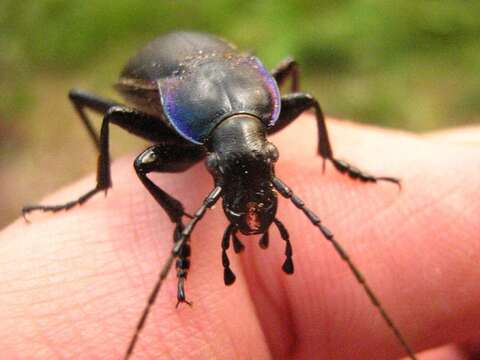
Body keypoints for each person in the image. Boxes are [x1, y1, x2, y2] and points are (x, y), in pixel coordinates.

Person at [0, 115, 479, 359]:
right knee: (130, 144)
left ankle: (333, 160)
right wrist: (181, 225)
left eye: (265, 159)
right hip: (187, 92)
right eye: (220, 170)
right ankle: (111, 190)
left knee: (300, 91)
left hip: (231, 98)